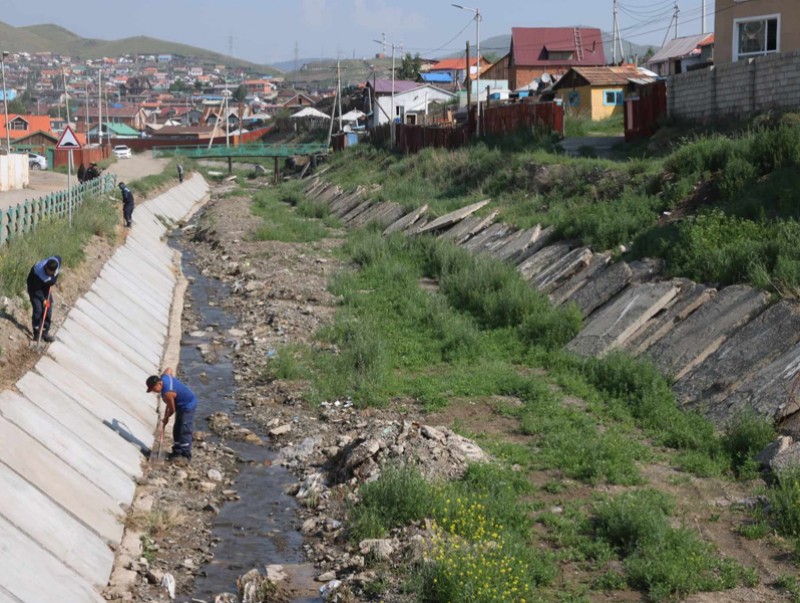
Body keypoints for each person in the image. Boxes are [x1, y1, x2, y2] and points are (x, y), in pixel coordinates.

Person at [146, 369, 198, 462]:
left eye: (154, 389)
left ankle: (185, 455)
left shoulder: (167, 394)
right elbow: (169, 369)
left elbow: (172, 409)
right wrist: (173, 381)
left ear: (159, 384)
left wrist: (166, 418)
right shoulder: (164, 377)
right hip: (180, 405)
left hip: (188, 404)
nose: (154, 391)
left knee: (184, 428)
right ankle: (177, 451)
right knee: (177, 427)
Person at [27, 255, 61, 342]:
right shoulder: (38, 272)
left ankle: (44, 333)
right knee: (38, 309)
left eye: (52, 273)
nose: (50, 274)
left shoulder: (56, 262)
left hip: (46, 287)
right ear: (45, 267)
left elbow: (58, 258)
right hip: (34, 288)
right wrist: (43, 300)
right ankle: (37, 334)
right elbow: (37, 289)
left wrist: (52, 280)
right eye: (48, 272)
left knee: (48, 310)